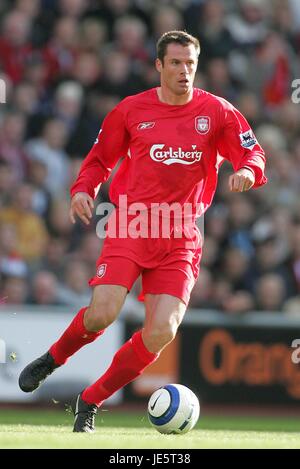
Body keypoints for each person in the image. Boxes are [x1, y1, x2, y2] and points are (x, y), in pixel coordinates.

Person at [19, 30, 267, 433]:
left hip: (183, 232)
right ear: (159, 66)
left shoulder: (218, 112)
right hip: (133, 223)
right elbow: (100, 159)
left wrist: (246, 170)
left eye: (190, 63)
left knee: (161, 331)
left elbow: (252, 151)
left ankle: (91, 399)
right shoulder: (132, 110)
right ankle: (53, 359)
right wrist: (83, 190)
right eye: (175, 63)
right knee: (102, 314)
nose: (184, 71)